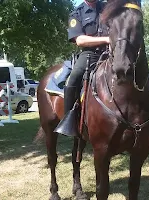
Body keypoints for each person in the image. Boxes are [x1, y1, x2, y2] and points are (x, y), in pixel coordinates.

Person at [55, 0, 109, 136]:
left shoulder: (106, 6)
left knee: (133, 68)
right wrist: (107, 39)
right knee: (73, 79)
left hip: (112, 51)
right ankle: (69, 121)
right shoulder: (76, 13)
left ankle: (148, 118)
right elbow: (79, 40)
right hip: (90, 54)